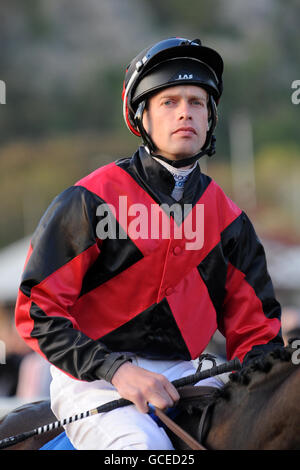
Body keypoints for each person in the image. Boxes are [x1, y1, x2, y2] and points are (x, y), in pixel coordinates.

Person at [15, 37, 284, 450]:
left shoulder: (230, 221)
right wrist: (116, 370)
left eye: (197, 102)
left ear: (211, 120)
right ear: (142, 117)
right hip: (95, 381)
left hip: (191, 375)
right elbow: (37, 312)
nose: (185, 113)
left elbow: (257, 333)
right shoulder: (89, 200)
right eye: (169, 102)